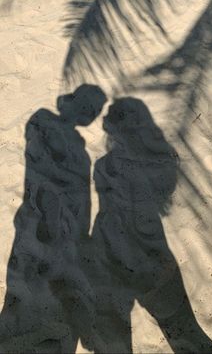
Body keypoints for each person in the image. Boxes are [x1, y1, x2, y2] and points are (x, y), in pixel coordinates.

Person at [91, 97, 212, 353]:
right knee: (185, 327)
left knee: (175, 324)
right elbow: (165, 191)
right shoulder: (149, 161)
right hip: (154, 247)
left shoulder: (104, 165)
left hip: (126, 248)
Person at [0, 84, 106, 353]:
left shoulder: (77, 146)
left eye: (94, 111)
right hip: (40, 228)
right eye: (90, 109)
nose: (92, 115)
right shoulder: (42, 122)